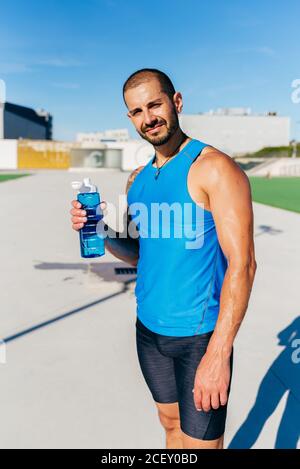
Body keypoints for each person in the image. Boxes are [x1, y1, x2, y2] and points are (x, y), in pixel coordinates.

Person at [70, 68, 257, 449]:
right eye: (137, 111)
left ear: (177, 102)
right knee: (170, 427)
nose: (148, 118)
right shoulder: (137, 180)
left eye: (154, 105)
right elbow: (141, 254)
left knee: (202, 446)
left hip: (198, 337)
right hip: (149, 332)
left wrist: (218, 354)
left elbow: (244, 264)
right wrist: (100, 230)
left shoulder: (214, 168)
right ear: (130, 118)